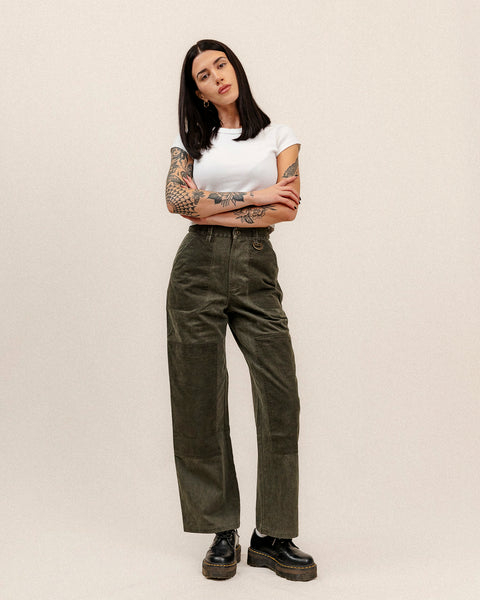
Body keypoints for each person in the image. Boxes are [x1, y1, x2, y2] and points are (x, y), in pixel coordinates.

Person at [165, 39, 317, 582]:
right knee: (199, 399)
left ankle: (273, 536)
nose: (216, 77)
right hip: (196, 271)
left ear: (235, 67)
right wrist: (255, 197)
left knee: (280, 397)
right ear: (200, 93)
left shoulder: (279, 135)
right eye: (203, 76)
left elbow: (288, 209)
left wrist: (212, 208)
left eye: (220, 65)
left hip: (256, 270)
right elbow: (178, 202)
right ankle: (221, 530)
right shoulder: (189, 144)